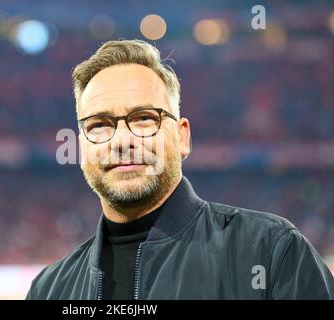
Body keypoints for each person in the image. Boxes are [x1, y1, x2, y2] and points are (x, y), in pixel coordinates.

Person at [26, 39, 334, 299]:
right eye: (99, 125)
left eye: (144, 118)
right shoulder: (50, 289)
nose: (121, 140)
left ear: (182, 136)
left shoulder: (272, 252)